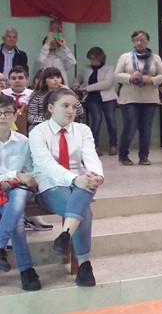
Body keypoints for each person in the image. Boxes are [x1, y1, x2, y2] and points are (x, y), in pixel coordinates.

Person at [29, 88, 104, 287]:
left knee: (88, 185)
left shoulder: (82, 130)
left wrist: (97, 175)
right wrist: (74, 179)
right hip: (50, 183)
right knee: (83, 211)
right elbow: (46, 165)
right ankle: (85, 265)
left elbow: (91, 157)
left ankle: (65, 236)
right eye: (65, 106)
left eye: (73, 106)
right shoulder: (38, 132)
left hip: (82, 181)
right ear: (51, 107)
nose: (71, 111)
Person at [0, 94, 41, 291]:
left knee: (17, 201)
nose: (2, 117)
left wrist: (21, 177)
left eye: (7, 112)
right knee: (17, 219)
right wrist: (15, 174)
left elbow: (31, 170)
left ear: (15, 116)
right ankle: (26, 270)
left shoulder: (23, 141)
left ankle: (1, 247)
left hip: (19, 189)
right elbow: (19, 173)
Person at [114, 30, 162, 166]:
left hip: (149, 98)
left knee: (146, 128)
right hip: (129, 99)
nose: (139, 42)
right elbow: (117, 75)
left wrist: (152, 80)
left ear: (147, 41)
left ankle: (144, 156)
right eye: (136, 40)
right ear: (133, 42)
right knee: (130, 125)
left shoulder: (155, 58)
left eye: (142, 40)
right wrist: (130, 77)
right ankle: (123, 156)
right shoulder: (125, 57)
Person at [76, 47, 118, 156]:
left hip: (108, 98)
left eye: (94, 59)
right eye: (90, 59)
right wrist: (76, 84)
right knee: (96, 119)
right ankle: (95, 146)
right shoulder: (86, 69)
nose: (92, 61)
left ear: (100, 58)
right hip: (92, 98)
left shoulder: (109, 68)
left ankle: (113, 145)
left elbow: (106, 84)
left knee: (111, 119)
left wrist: (87, 88)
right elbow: (78, 78)